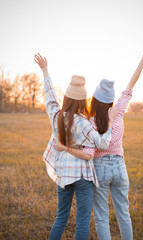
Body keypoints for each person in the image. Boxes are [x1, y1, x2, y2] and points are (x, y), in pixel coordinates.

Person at [54, 44, 143, 240]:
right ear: (110, 100)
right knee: (124, 215)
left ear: (93, 99)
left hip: (100, 169)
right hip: (120, 167)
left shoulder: (89, 122)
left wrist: (66, 148)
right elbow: (130, 87)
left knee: (102, 218)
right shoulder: (117, 110)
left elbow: (88, 153)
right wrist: (142, 61)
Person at [34, 53, 118, 240]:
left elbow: (49, 97)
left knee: (60, 217)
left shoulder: (56, 116)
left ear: (66, 98)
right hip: (83, 176)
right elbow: (103, 143)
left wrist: (45, 70)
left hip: (64, 173)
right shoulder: (85, 124)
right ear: (83, 100)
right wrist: (110, 124)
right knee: (82, 221)